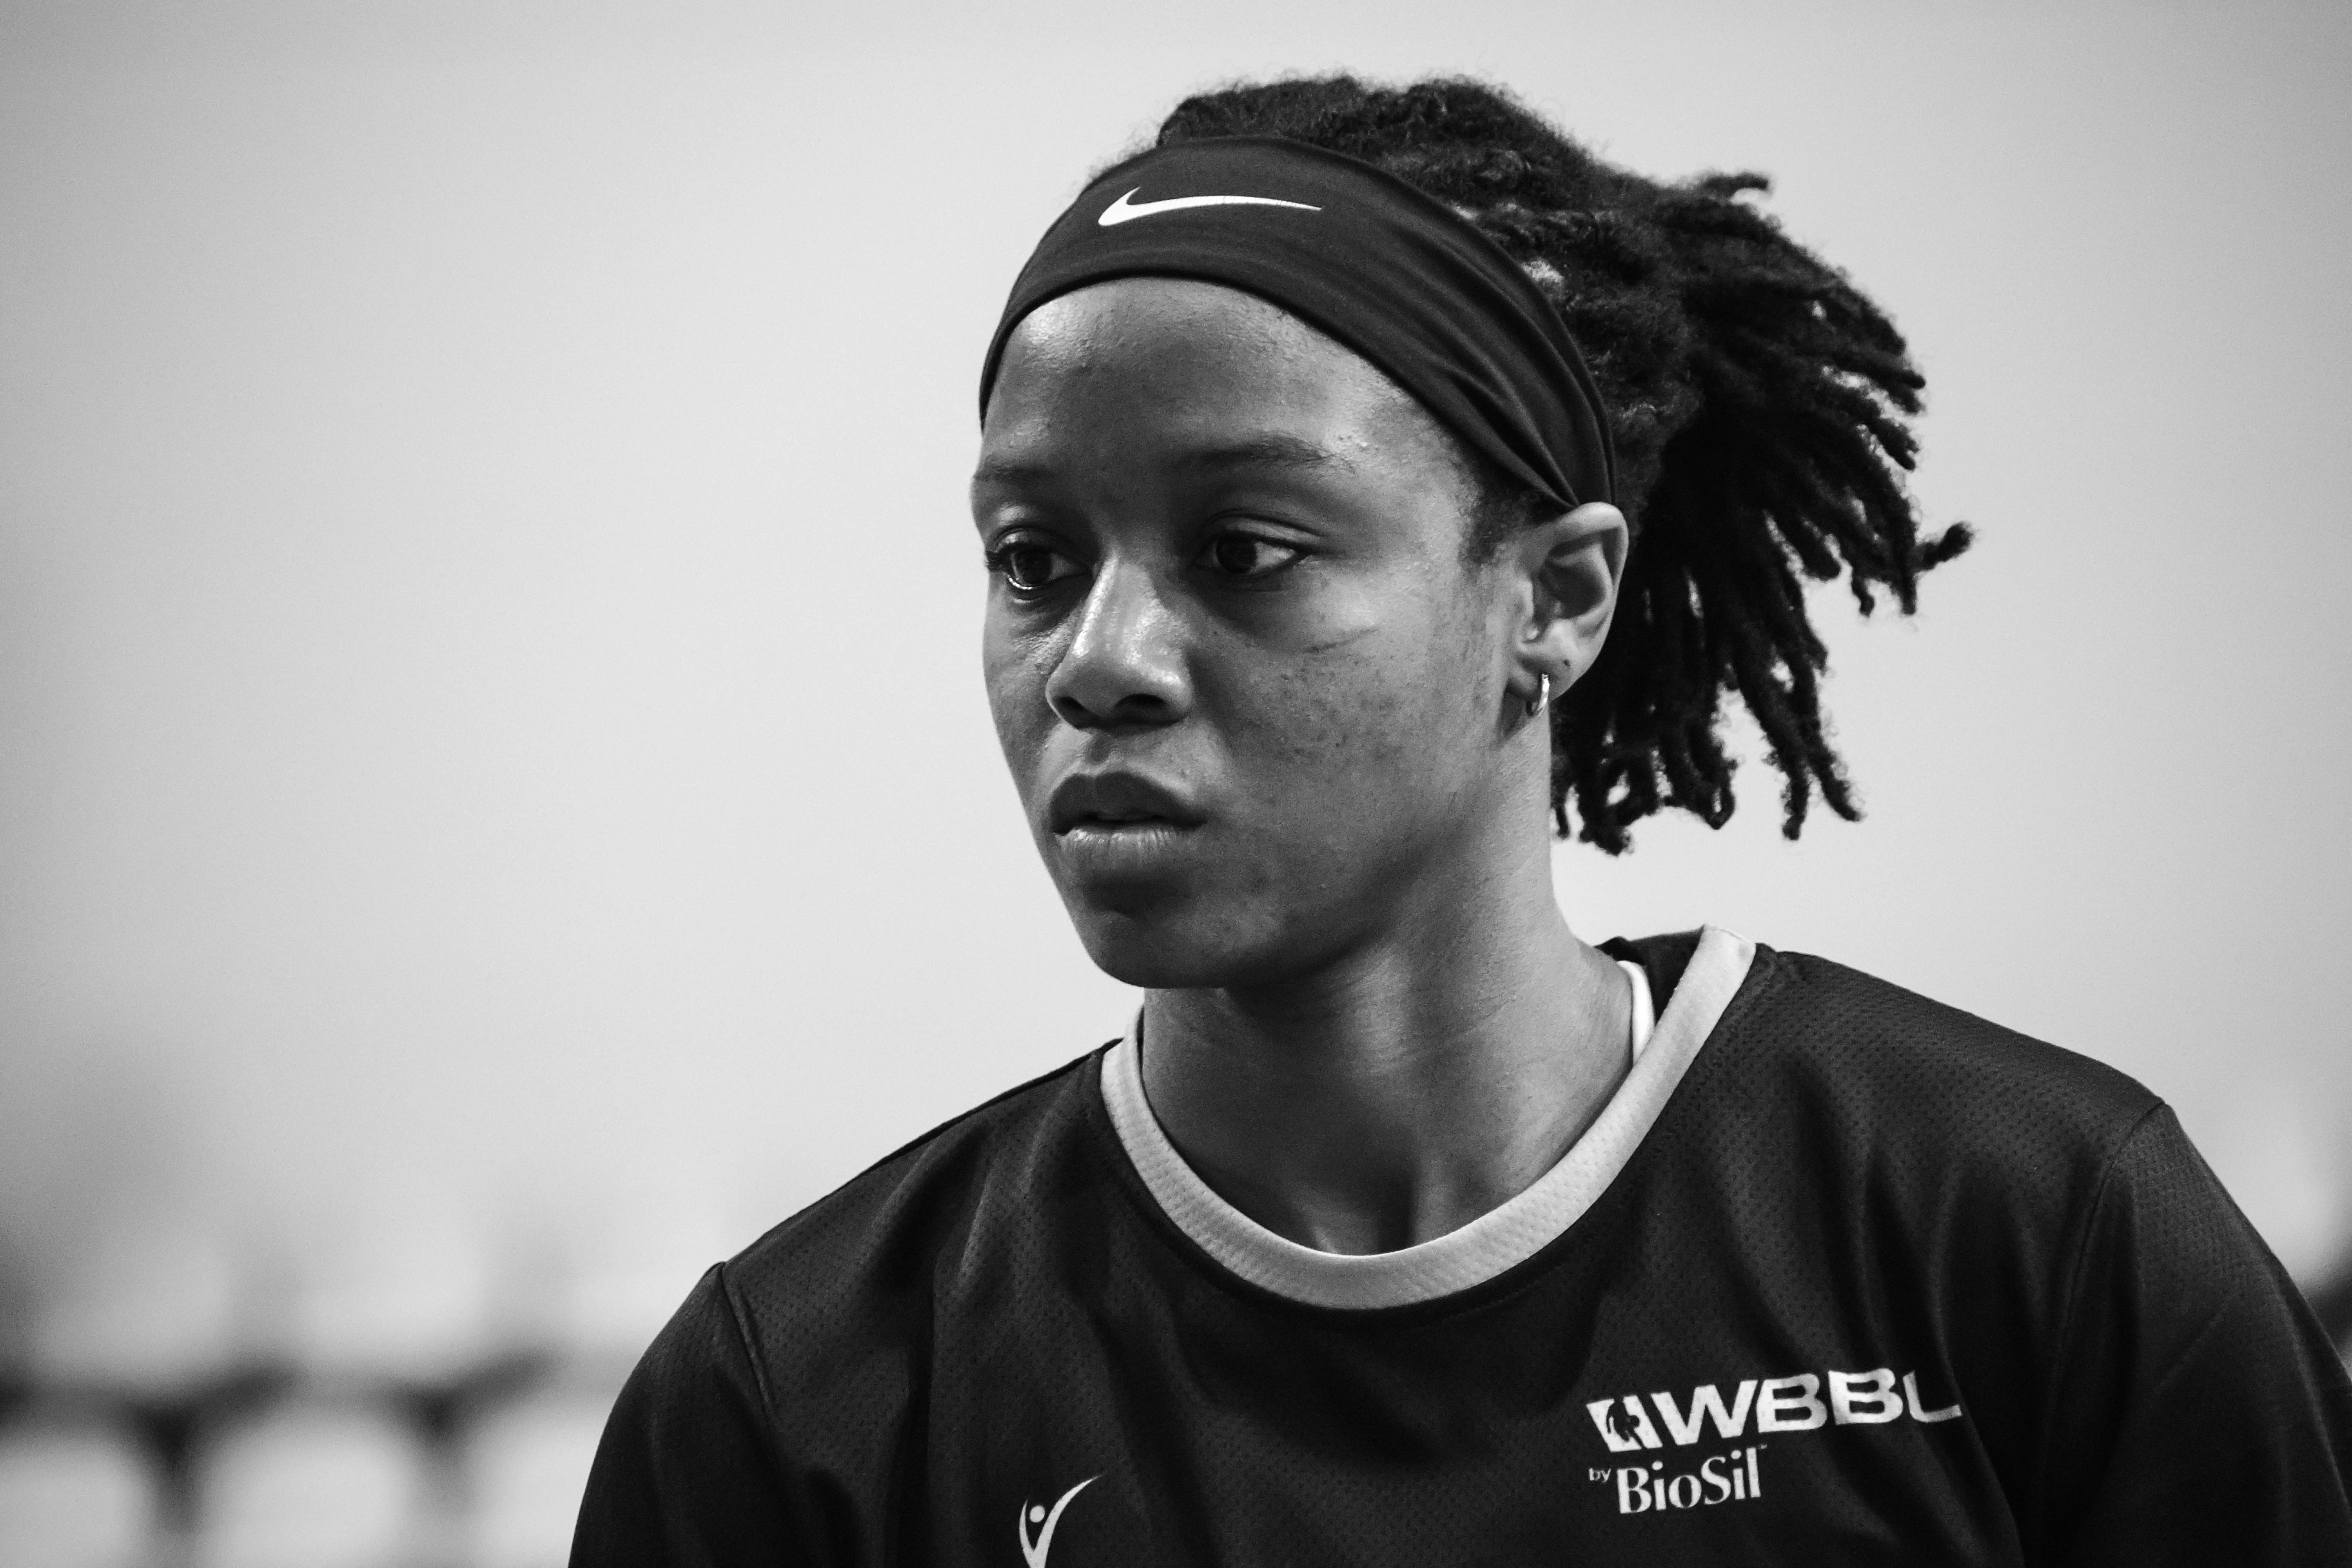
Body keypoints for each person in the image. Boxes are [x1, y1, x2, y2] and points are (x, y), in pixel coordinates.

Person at [571, 75, 2352, 1564]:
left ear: (1555, 600)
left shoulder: (2037, 1238)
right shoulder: (796, 1407)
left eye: (1245, 549)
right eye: (1034, 561)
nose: (1099, 662)